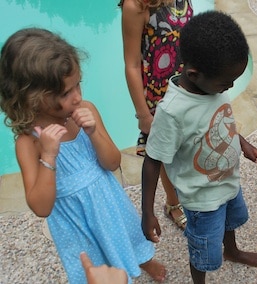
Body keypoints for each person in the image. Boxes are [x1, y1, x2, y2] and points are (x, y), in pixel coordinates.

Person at [0, 28, 166, 283]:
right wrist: (49, 157)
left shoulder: (86, 110)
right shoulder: (29, 142)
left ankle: (144, 261)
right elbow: (41, 207)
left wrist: (93, 132)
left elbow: (112, 163)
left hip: (110, 206)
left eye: (78, 84)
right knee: (97, 265)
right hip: (76, 225)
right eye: (65, 93)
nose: (77, 97)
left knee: (126, 237)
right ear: (32, 98)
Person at [141, 11, 257, 284]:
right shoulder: (173, 112)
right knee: (203, 251)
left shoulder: (213, 86)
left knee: (231, 221)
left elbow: (220, 122)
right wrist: (147, 211)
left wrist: (242, 142)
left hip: (228, 181)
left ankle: (231, 250)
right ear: (194, 74)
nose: (230, 87)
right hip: (201, 200)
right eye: (227, 83)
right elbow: (152, 160)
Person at [119, 0, 193, 230]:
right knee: (164, 153)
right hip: (159, 91)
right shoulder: (136, 5)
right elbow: (131, 64)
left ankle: (194, 195)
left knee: (191, 144)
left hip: (189, 83)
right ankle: (173, 203)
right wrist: (143, 114)